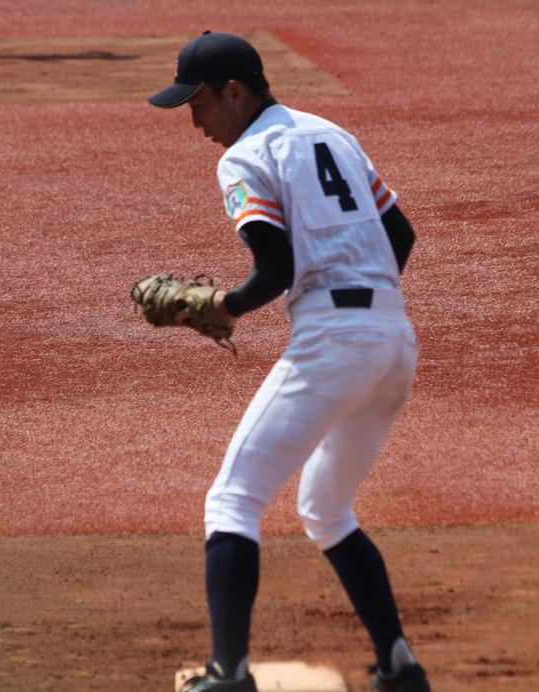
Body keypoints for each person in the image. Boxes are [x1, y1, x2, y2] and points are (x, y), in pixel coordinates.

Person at [148, 32, 430, 692]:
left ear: (235, 93)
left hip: (335, 340)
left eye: (198, 105)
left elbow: (275, 268)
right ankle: (398, 664)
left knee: (232, 499)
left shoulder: (245, 156)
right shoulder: (331, 132)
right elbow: (401, 235)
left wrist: (222, 306)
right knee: (325, 509)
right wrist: (368, 305)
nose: (194, 123)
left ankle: (230, 673)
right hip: (391, 337)